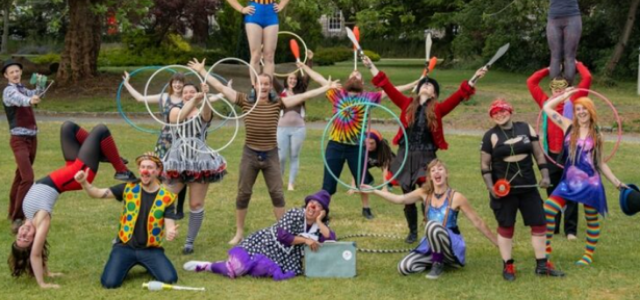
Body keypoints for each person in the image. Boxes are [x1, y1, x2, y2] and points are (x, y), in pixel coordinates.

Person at [189, 58, 340, 245]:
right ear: (255, 84)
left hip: (271, 154)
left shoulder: (278, 103)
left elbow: (303, 97)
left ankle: (284, 234)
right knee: (243, 193)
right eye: (261, 83)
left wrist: (325, 88)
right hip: (250, 153)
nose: (264, 86)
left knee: (277, 193)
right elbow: (221, 87)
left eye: (267, 84)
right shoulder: (244, 100)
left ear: (271, 86)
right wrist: (202, 72)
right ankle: (239, 233)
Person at [363, 56, 487, 244]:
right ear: (419, 89)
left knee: (427, 194)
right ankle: (412, 231)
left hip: (426, 156)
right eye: (424, 84)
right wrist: (370, 66)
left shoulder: (438, 109)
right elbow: (386, 85)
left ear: (434, 94)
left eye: (430, 86)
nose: (426, 86)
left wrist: (475, 77)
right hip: (406, 155)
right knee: (407, 195)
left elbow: (460, 96)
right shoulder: (405, 104)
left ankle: (430, 228)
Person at [8, 122, 135, 289]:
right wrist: (42, 283)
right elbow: (36, 254)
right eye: (26, 238)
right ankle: (121, 169)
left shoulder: (28, 217)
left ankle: (101, 153)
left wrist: (47, 271)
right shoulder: (41, 221)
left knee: (68, 128)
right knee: (101, 130)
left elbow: (39, 252)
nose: (23, 233)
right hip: (76, 175)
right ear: (33, 240)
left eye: (19, 236)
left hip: (69, 170)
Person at [296, 59, 416, 207]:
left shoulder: (368, 98)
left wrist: (414, 83)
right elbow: (320, 79)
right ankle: (324, 210)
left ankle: (366, 209)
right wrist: (304, 67)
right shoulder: (337, 93)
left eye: (358, 75)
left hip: (356, 147)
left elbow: (392, 90)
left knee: (362, 182)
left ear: (362, 82)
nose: (355, 76)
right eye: (352, 74)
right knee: (328, 184)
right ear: (348, 80)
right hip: (335, 144)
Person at [360, 159, 497, 280]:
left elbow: (477, 222)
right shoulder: (424, 193)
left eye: (440, 169)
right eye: (433, 170)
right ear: (430, 176)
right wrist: (373, 190)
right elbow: (399, 199)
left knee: (432, 225)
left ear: (446, 174)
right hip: (431, 245)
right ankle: (435, 260)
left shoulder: (456, 197)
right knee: (404, 268)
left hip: (451, 247)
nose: (437, 172)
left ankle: (438, 264)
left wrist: (497, 242)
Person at [480, 99, 564, 281]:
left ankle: (542, 265)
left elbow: (539, 154)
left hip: (528, 187)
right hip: (504, 190)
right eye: (494, 113)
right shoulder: (490, 136)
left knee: (540, 223)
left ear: (510, 111)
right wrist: (490, 187)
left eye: (502, 111)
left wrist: (546, 175)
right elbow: (484, 165)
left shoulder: (525, 128)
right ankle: (508, 265)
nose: (499, 115)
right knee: (506, 226)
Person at [543, 89, 627, 266]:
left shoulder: (597, 135)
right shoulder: (568, 126)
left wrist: (617, 183)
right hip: (569, 181)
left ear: (591, 111)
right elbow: (547, 108)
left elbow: (601, 163)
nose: (581, 112)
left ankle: (588, 255)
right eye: (578, 109)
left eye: (584, 109)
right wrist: (564, 97)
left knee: (591, 219)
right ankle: (546, 249)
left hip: (590, 182)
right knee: (548, 209)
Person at [75, 152, 179, 289]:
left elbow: (169, 224)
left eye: (150, 167)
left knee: (170, 278)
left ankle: (150, 263)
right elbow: (98, 193)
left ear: (158, 171)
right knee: (109, 283)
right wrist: (84, 183)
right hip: (125, 247)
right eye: (142, 167)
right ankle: (122, 260)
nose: (145, 171)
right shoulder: (128, 188)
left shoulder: (167, 197)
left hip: (150, 249)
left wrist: (170, 231)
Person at [183, 190, 335, 281]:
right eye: (311, 202)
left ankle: (232, 265)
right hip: (266, 243)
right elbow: (283, 236)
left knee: (259, 270)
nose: (312, 206)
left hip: (285, 258)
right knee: (235, 270)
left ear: (322, 212)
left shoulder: (318, 226)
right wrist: (306, 240)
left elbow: (331, 240)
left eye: (318, 206)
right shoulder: (295, 213)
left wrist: (319, 221)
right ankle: (207, 266)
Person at [527, 61, 592, 240]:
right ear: (551, 89)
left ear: (568, 88)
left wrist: (576, 63)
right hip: (551, 154)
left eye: (561, 87)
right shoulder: (545, 103)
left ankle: (570, 230)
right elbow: (531, 82)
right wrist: (549, 68)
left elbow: (587, 78)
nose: (558, 91)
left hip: (570, 154)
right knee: (553, 190)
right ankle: (553, 226)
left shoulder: (576, 100)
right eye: (554, 88)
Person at [162, 82, 227, 254]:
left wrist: (204, 97)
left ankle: (189, 242)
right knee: (162, 198)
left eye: (193, 92)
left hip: (200, 161)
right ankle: (151, 233)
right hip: (178, 160)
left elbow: (206, 115)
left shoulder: (202, 111)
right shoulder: (175, 110)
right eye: (186, 92)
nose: (189, 94)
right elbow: (179, 118)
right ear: (181, 95)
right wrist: (195, 99)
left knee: (196, 203)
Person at [122, 71, 190, 219]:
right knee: (160, 170)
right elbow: (141, 99)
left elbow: (206, 99)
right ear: (171, 84)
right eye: (175, 82)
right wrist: (127, 83)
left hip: (182, 139)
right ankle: (158, 201)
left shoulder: (187, 99)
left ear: (183, 84)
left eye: (180, 82)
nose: (177, 85)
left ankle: (179, 208)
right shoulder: (164, 97)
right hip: (165, 139)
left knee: (180, 173)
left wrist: (223, 93)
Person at [3, 59, 44, 233]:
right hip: (19, 139)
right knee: (28, 178)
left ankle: (11, 212)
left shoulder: (23, 88)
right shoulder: (9, 91)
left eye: (17, 71)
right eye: (11, 72)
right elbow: (22, 100)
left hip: (32, 138)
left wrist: (40, 86)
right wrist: (31, 99)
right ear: (6, 75)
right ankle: (18, 218)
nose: (15, 74)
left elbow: (34, 94)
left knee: (20, 177)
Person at [275, 50, 313, 191]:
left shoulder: (300, 91)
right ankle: (279, 182)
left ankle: (291, 183)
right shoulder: (281, 91)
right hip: (282, 128)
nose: (292, 80)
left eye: (295, 79)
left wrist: (309, 61)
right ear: (286, 79)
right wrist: (264, 59)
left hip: (298, 128)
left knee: (294, 155)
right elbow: (270, 76)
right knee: (281, 157)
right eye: (290, 78)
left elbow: (307, 77)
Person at [225, 0, 289, 81]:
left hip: (271, 13)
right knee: (255, 55)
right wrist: (241, 9)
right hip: (254, 14)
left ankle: (268, 88)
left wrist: (281, 5)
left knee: (269, 56)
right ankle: (255, 87)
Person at [347, 129, 395, 219]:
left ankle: (389, 184)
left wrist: (384, 187)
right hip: (368, 161)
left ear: (377, 142)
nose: (369, 146)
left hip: (382, 160)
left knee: (392, 168)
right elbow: (356, 169)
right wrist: (353, 186)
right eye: (367, 143)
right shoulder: (361, 148)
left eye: (372, 143)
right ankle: (369, 180)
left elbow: (384, 168)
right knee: (360, 169)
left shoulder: (383, 148)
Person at [547, 0, 582, 85]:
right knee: (557, 56)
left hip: (572, 16)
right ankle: (557, 90)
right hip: (555, 18)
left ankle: (567, 89)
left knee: (568, 56)